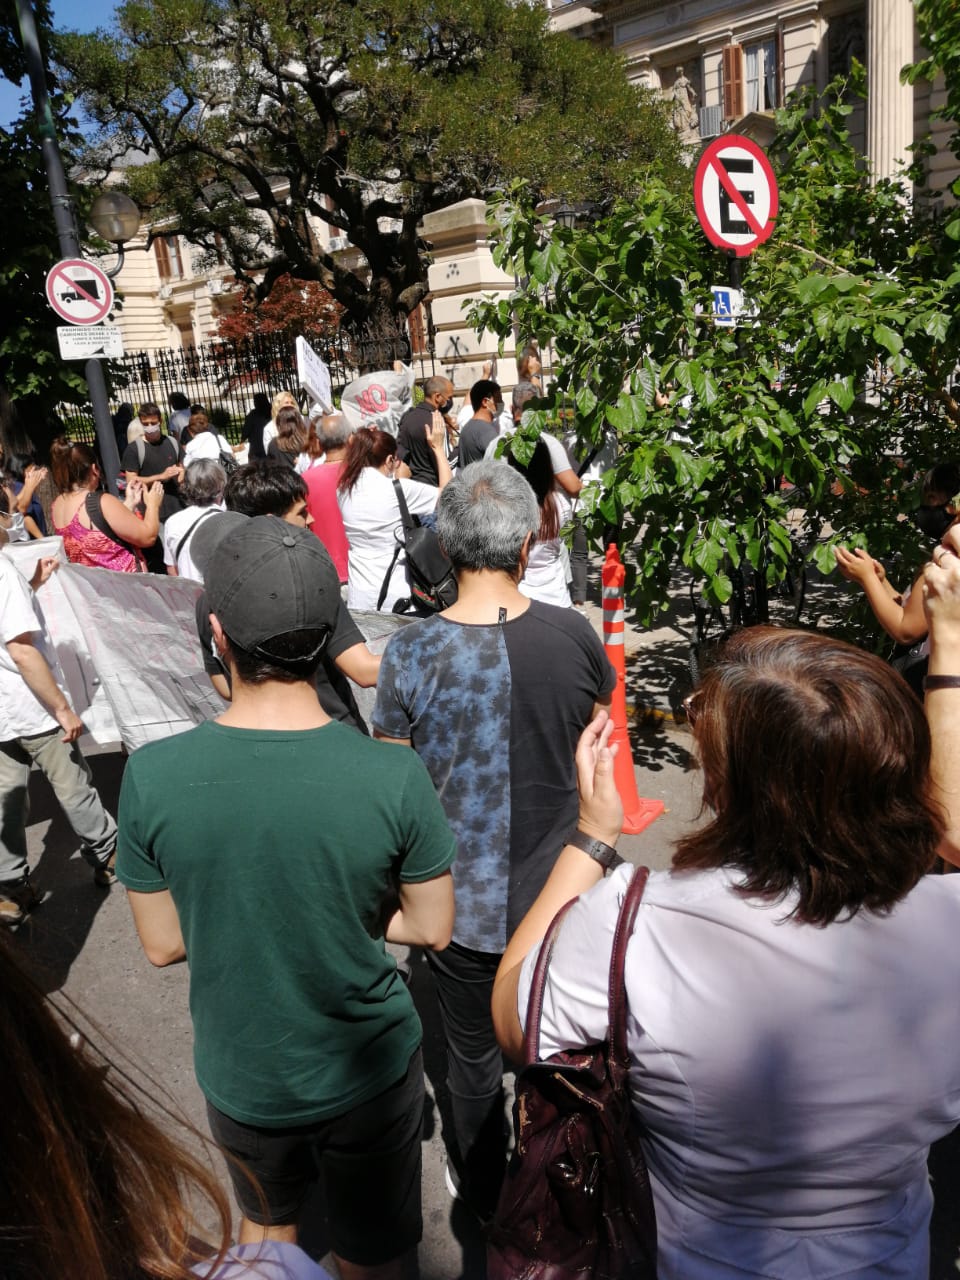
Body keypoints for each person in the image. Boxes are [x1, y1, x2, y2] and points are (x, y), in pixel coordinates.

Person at [493, 623, 960, 1280]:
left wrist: (592, 840)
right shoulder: (948, 923)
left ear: (728, 781)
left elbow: (516, 1023)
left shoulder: (633, 921)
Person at [117, 516, 457, 1280]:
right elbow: (433, 925)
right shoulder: (392, 776)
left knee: (266, 1238)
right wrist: (346, 907)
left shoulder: (152, 776)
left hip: (244, 1072)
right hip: (369, 1071)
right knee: (375, 1258)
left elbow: (163, 943)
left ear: (217, 634)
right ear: (329, 632)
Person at [372, 459, 615, 1217]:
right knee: (563, 1045)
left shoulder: (409, 654)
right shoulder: (574, 636)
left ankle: (480, 1189)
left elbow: (394, 790)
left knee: (471, 1061)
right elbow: (601, 749)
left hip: (457, 906)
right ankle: (565, 1176)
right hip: (564, 894)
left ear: (444, 549)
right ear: (524, 548)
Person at [0, 931, 333, 1279]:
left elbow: (162, 945)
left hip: (242, 1084)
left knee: (268, 1212)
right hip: (346, 1075)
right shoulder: (275, 1268)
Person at [194, 460, 380, 727]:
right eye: (302, 513)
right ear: (273, 523)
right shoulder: (308, 582)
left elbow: (224, 686)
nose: (311, 520)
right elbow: (364, 670)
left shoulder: (210, 598)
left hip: (262, 743)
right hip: (333, 736)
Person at [0, 534, 118, 925]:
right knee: (72, 785)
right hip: (29, 705)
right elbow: (20, 648)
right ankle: (108, 856)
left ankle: (10, 889)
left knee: (8, 800)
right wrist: (63, 708)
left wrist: (30, 585)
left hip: (3, 713)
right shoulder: (1, 571)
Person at [337, 423, 450, 612]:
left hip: (359, 594)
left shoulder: (342, 490)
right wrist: (438, 448)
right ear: (390, 459)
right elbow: (448, 494)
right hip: (397, 596)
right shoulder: (398, 489)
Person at [50, 437, 163, 573]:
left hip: (92, 588)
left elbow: (99, 530)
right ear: (94, 469)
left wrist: (129, 502)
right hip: (124, 588)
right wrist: (153, 504)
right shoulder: (101, 501)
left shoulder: (57, 505)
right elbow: (148, 537)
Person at [507, 439, 573, 607]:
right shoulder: (561, 505)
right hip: (556, 595)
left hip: (519, 594)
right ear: (548, 467)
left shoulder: (506, 508)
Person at [302, 411, 353, 585]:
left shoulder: (306, 480)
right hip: (363, 568)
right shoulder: (361, 473)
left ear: (320, 442)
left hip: (325, 570)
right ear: (349, 439)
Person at [162, 458, 227, 580]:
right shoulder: (228, 521)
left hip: (188, 595)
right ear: (221, 486)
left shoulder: (173, 522)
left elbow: (172, 570)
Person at [120, 406, 184, 527]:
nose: (149, 427)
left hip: (178, 508)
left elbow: (183, 467)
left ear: (160, 421)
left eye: (153, 423)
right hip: (152, 513)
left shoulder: (173, 443)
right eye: (145, 423)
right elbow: (131, 481)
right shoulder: (134, 449)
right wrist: (161, 476)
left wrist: (182, 474)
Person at [396, 375, 457, 485]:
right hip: (434, 486)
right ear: (437, 396)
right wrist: (460, 450)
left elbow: (401, 453)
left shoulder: (407, 417)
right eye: (449, 398)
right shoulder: (437, 422)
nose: (450, 401)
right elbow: (447, 462)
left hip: (413, 485)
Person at [457, 378, 504, 467]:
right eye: (498, 399)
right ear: (485, 402)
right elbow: (501, 466)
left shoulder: (467, 428)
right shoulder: (486, 432)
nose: (501, 403)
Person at [266, 405, 320, 473]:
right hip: (303, 479)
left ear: (279, 424)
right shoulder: (307, 441)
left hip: (282, 481)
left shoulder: (273, 444)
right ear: (299, 421)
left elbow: (270, 468)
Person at [262, 390, 298, 456]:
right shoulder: (269, 428)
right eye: (286, 403)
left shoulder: (303, 420)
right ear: (278, 406)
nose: (290, 405)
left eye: (292, 403)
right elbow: (269, 452)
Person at [242, 392, 272, 461]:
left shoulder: (253, 415)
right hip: (270, 448)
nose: (254, 403)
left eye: (254, 401)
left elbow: (246, 430)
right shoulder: (272, 412)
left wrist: (242, 439)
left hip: (256, 449)